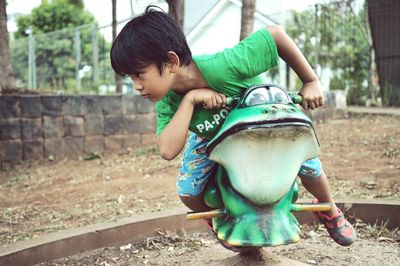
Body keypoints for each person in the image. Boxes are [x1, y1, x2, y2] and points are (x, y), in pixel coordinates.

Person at [110, 6, 356, 247]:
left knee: (308, 165)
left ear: (171, 62)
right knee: (189, 192)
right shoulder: (167, 101)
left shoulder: (224, 66)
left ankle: (328, 207)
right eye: (131, 78)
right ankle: (224, 220)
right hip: (211, 135)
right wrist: (191, 99)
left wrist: (310, 80)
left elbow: (275, 35)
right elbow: (166, 150)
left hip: (260, 122)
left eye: (139, 75)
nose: (137, 86)